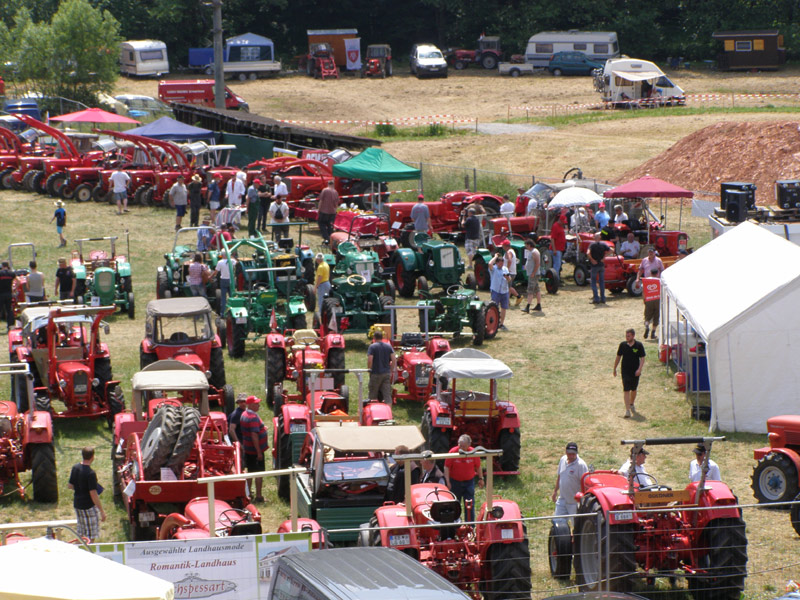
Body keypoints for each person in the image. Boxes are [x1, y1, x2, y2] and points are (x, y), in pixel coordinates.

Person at [67, 447, 106, 543]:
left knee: (81, 532)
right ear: (92, 457)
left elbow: (70, 485)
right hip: (88, 507)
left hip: (77, 504)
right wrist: (101, 511)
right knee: (90, 536)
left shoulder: (75, 468)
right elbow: (93, 494)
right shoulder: (90, 473)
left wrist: (80, 487)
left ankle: (78, 549)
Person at [444, 434, 483, 522]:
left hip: (468, 483)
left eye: (463, 446)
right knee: (454, 505)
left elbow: (478, 466)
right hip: (455, 483)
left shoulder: (473, 453)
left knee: (470, 505)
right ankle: (454, 526)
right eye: (459, 445)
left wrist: (481, 479)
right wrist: (447, 481)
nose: (460, 448)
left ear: (469, 445)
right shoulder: (453, 452)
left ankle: (470, 527)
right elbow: (446, 467)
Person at [239, 395, 269, 503]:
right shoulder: (253, 418)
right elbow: (254, 435)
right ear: (250, 405)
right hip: (255, 450)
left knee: (250, 472)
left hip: (248, 449)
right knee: (259, 473)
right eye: (256, 403)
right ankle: (259, 496)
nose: (259, 405)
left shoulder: (244, 414)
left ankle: (247, 494)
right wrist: (259, 452)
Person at [551, 442, 589, 524]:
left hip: (574, 503)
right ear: (566, 452)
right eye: (569, 454)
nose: (571, 456)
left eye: (573, 454)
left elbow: (586, 484)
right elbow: (560, 476)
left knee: (576, 526)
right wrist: (555, 491)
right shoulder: (562, 460)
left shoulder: (581, 465)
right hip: (562, 500)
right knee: (557, 524)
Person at [613, 328, 646, 418]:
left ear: (633, 336)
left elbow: (642, 358)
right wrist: (614, 368)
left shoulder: (638, 345)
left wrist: (639, 369)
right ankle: (627, 410)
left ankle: (631, 403)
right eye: (626, 336)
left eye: (629, 336)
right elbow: (618, 357)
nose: (627, 337)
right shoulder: (622, 345)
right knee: (626, 389)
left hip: (635, 371)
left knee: (633, 389)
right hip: (625, 371)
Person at [367, 328, 395, 404]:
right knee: (387, 395)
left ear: (374, 338)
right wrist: (391, 370)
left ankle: (373, 411)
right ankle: (389, 411)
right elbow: (393, 359)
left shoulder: (372, 347)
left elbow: (370, 360)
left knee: (373, 394)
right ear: (382, 338)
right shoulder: (388, 346)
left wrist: (369, 369)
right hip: (386, 373)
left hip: (376, 373)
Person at [488, 253, 511, 330]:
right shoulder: (493, 269)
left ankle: (501, 324)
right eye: (500, 263)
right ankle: (494, 323)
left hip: (505, 291)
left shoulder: (505, 269)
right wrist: (495, 257)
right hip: (495, 291)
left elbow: (509, 279)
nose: (501, 264)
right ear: (497, 263)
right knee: (494, 307)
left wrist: (507, 278)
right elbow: (490, 263)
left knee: (504, 308)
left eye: (502, 263)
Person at [588, 232, 610, 304]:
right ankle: (603, 298)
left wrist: (592, 260)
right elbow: (611, 250)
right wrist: (604, 257)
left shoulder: (592, 245)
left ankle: (596, 298)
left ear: (594, 238)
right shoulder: (603, 244)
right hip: (601, 265)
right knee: (601, 282)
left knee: (593, 282)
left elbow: (588, 253)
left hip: (594, 266)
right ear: (600, 238)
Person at [523, 238, 542, 313]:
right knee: (537, 289)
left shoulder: (535, 252)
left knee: (530, 290)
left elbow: (537, 263)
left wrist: (533, 272)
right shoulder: (531, 252)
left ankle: (527, 306)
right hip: (532, 274)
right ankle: (538, 305)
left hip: (533, 274)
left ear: (529, 245)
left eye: (526, 245)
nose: (526, 247)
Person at [317, 180, 339, 244]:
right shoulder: (335, 192)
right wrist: (335, 210)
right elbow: (336, 203)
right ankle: (331, 239)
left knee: (321, 224)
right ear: (333, 185)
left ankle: (326, 238)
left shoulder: (325, 190)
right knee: (330, 226)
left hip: (324, 211)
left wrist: (319, 209)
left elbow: (321, 200)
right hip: (332, 212)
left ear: (328, 184)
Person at [214, 250, 235, 314]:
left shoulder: (220, 262)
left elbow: (216, 272)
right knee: (232, 296)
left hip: (223, 280)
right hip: (231, 280)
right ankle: (233, 310)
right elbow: (236, 263)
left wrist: (210, 277)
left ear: (222, 255)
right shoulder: (232, 261)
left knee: (223, 298)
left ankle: (222, 313)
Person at [501, 239, 521, 305]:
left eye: (503, 245)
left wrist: (507, 269)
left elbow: (509, 260)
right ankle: (507, 301)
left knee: (508, 287)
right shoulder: (512, 251)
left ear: (505, 246)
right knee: (508, 287)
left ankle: (518, 297)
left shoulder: (508, 252)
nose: (502, 247)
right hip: (513, 272)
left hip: (510, 273)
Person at [0, 261, 16, 331]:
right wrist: (14, 289)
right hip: (9, 294)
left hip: (1, 294)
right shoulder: (11, 273)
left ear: (2, 266)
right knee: (9, 310)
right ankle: (10, 326)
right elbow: (17, 281)